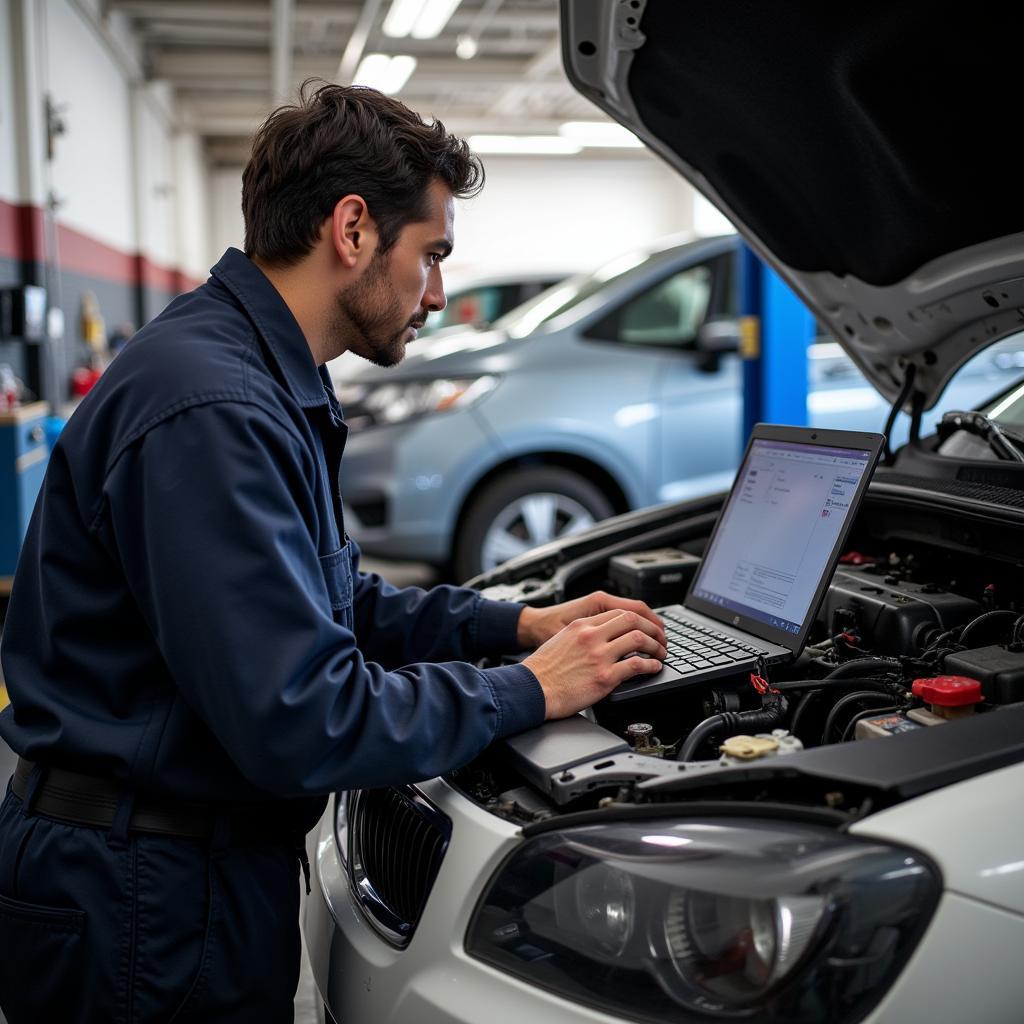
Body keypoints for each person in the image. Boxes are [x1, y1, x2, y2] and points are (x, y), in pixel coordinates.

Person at [0, 82, 666, 1023]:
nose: (438, 293)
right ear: (353, 229)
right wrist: (532, 688)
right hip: (142, 898)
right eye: (431, 255)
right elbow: (300, 717)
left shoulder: (260, 376)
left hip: (178, 870)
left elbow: (337, 604)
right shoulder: (215, 408)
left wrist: (516, 625)